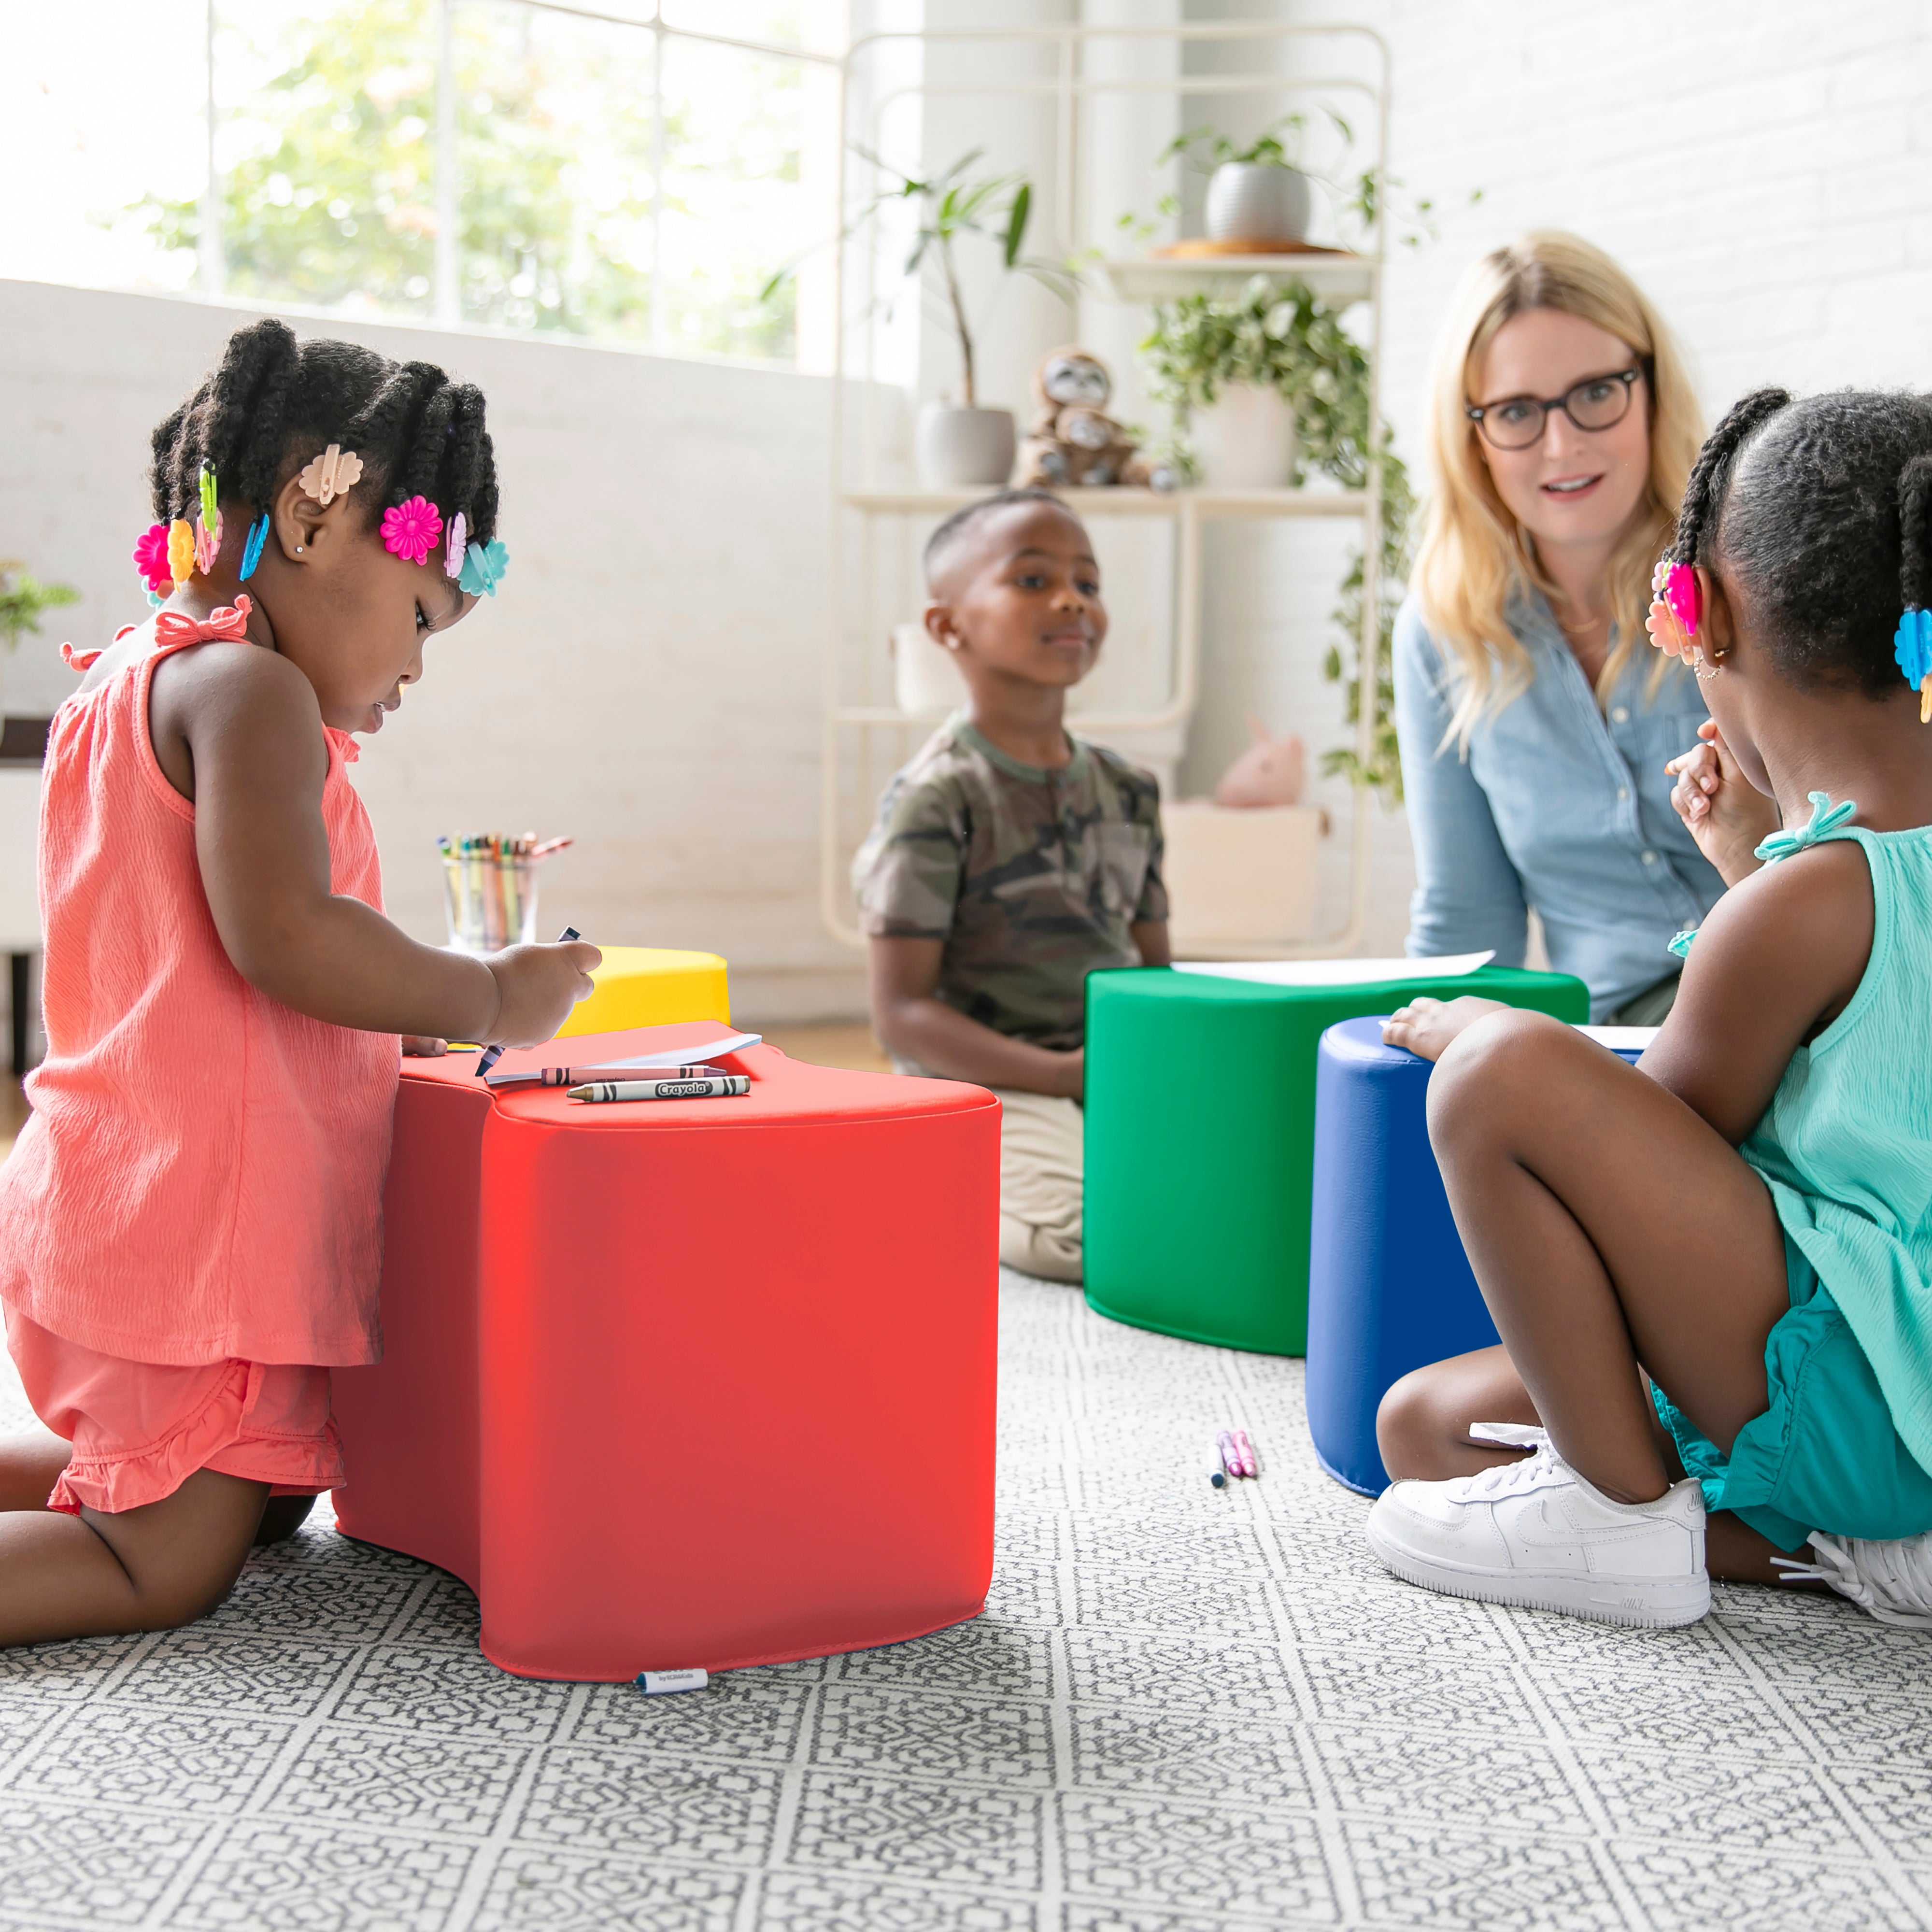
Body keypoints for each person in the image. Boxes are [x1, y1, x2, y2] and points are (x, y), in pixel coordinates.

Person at [0, 320, 599, 1647]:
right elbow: (287, 936)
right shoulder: (251, 692)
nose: (417, 670)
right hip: (187, 1231)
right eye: (424, 619)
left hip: (125, 1191)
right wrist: (486, 995)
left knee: (248, 1499)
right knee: (163, 1563)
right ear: (314, 520)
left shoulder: (127, 682)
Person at [1366, 387, 1932, 1630]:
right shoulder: (1819, 896)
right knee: (1426, 1423)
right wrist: (1755, 873)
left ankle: (1613, 1523)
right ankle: (1870, 1555)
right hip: (1886, 1377)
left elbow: (1654, 1150)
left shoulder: (1802, 905)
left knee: (1497, 1076)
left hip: (1861, 1399)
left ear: (1703, 620)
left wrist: (1486, 1038)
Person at [1397, 231, 1720, 1024]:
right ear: (1471, 435)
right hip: (1616, 1048)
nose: (1563, 444)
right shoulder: (1442, 631)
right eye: (1515, 412)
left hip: (1810, 1009)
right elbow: (1467, 921)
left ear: (1648, 388)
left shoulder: (1747, 571)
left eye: (1596, 393)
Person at [853, 488, 1170, 1282]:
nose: (1072, 600)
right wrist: (1064, 1076)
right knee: (1084, 1234)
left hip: (1106, 1072)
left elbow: (1159, 976)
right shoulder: (940, 795)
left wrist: (1158, 1070)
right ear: (947, 624)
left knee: (1245, 1186)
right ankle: (929, 1167)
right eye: (1033, 581)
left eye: (1088, 584)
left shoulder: (1132, 789)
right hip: (982, 1080)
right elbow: (901, 1016)